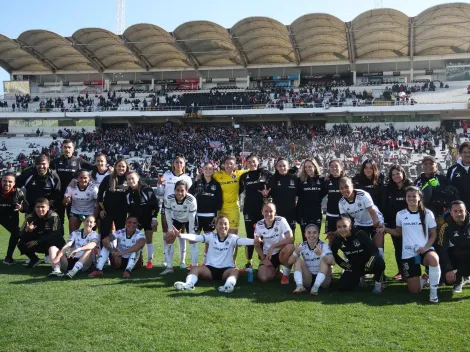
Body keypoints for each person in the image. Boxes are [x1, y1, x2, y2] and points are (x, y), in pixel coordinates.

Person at [173, 216, 257, 293]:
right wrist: (181, 235)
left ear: (228, 226)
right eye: (220, 223)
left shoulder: (232, 238)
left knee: (235, 271)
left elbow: (243, 240)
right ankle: (189, 284)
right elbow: (196, 237)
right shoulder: (211, 236)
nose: (223, 226)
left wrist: (254, 241)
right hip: (210, 270)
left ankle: (228, 286)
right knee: (195, 268)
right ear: (216, 226)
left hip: (226, 270)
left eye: (225, 224)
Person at [388, 186, 440, 303]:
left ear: (419, 198)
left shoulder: (428, 213)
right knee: (414, 290)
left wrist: (426, 247)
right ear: (405, 198)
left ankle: (433, 293)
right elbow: (398, 232)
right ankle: (425, 278)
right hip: (408, 252)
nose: (411, 198)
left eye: (414, 196)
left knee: (434, 258)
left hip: (425, 249)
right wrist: (385, 229)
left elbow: (433, 234)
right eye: (409, 196)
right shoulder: (400, 214)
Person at [330, 216, 385, 293]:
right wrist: (346, 266)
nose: (342, 229)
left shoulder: (360, 234)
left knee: (379, 262)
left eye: (345, 226)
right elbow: (333, 254)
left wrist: (370, 263)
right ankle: (359, 279)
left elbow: (374, 250)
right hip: (355, 266)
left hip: (368, 264)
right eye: (339, 227)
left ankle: (378, 285)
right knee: (343, 286)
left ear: (350, 226)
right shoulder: (337, 239)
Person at [155, 156, 192, 268]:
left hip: (182, 211)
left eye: (181, 162)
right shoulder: (166, 175)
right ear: (173, 163)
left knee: (182, 235)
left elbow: (188, 195)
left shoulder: (187, 178)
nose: (179, 164)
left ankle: (182, 261)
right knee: (166, 234)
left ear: (184, 165)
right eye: (177, 162)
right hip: (167, 209)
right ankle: (166, 260)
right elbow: (160, 193)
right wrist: (159, 184)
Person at [50, 139, 93, 233]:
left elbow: (95, 168)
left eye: (69, 147)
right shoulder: (55, 162)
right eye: (65, 147)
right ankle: (59, 245)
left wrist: (109, 168)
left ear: (73, 149)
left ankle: (79, 243)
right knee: (57, 224)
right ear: (62, 148)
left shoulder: (78, 161)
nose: (67, 149)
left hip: (73, 198)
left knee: (73, 225)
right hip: (58, 197)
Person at [338, 177, 385, 258]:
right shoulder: (341, 203)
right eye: (342, 188)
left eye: (346, 187)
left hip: (375, 221)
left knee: (378, 250)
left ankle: (380, 270)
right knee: (362, 250)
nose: (344, 190)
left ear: (352, 186)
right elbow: (345, 220)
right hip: (360, 224)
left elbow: (371, 210)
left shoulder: (363, 195)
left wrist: (376, 223)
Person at [238, 155, 271, 269]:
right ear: (246, 163)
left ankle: (263, 260)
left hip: (262, 211)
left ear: (258, 162)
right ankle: (249, 261)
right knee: (249, 236)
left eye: (254, 162)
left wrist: (267, 197)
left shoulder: (265, 174)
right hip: (248, 209)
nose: (252, 164)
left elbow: (272, 186)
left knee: (264, 236)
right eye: (249, 162)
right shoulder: (243, 176)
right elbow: (237, 190)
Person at [382, 165, 413, 280]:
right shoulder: (388, 188)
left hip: (409, 223)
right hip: (393, 224)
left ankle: (412, 271)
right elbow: (385, 206)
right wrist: (385, 222)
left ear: (403, 173)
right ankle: (401, 271)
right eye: (393, 174)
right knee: (398, 248)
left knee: (410, 247)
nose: (396, 176)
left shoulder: (410, 186)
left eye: (398, 173)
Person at [189, 162, 222, 267]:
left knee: (208, 240)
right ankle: (194, 263)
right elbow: (190, 195)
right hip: (197, 216)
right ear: (202, 170)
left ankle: (205, 262)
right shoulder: (198, 182)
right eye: (206, 168)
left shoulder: (216, 184)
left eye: (210, 169)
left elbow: (219, 201)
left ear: (213, 171)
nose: (208, 170)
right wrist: (196, 181)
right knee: (194, 239)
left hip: (210, 216)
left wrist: (216, 215)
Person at [17, 198, 65, 269]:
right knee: (21, 243)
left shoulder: (53, 216)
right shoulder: (30, 217)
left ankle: (59, 259)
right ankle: (34, 259)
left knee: (55, 238)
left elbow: (56, 234)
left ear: (48, 207)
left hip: (52, 243)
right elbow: (20, 233)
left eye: (43, 207)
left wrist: (37, 242)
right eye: (38, 207)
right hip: (39, 243)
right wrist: (29, 231)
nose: (40, 209)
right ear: (35, 208)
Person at [254, 202, 294, 284]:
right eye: (266, 211)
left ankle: (285, 276)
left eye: (271, 211)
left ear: (275, 212)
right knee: (264, 278)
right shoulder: (259, 224)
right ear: (262, 212)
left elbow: (291, 239)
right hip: (268, 255)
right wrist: (263, 259)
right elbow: (256, 244)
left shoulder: (281, 220)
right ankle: (275, 270)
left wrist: (273, 246)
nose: (268, 214)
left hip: (281, 253)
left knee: (290, 247)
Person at [288, 224, 334, 296]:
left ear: (318, 234)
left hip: (323, 280)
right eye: (309, 233)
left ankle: (315, 287)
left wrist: (322, 254)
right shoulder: (302, 246)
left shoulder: (323, 245)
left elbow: (333, 262)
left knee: (324, 260)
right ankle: (299, 286)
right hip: (308, 278)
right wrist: (295, 252)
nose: (311, 235)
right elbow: (289, 262)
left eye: (314, 232)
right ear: (305, 234)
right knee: (297, 259)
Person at [161, 180, 197, 274]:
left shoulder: (191, 200)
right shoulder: (169, 198)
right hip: (176, 219)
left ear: (187, 190)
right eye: (177, 190)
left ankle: (193, 267)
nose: (179, 193)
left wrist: (192, 232)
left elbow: (192, 217)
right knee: (169, 239)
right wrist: (169, 229)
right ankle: (169, 267)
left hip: (189, 219)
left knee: (193, 241)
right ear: (174, 190)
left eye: (182, 190)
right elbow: (168, 214)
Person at [126, 171, 159, 269]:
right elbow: (128, 208)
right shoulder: (128, 192)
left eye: (133, 178)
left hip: (148, 219)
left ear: (138, 178)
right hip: (136, 221)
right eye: (128, 179)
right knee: (134, 240)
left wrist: (154, 218)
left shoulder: (146, 189)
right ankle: (136, 260)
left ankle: (149, 261)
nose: (131, 181)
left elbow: (155, 205)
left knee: (149, 240)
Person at [436, 201, 470, 293]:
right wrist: (448, 269)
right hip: (455, 260)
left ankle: (462, 277)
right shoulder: (446, 227)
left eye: (461, 211)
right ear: (450, 212)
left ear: (465, 211)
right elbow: (442, 250)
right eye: (455, 211)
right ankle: (461, 276)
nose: (458, 214)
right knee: (448, 281)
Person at [415, 156, 457, 230]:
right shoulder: (418, 181)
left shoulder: (444, 180)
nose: (428, 165)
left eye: (431, 163)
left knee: (441, 240)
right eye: (425, 164)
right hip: (423, 216)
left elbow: (454, 196)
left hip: (441, 217)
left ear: (436, 166)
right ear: (422, 166)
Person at [212, 155, 247, 234]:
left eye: (231, 164)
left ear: (235, 165)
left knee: (233, 234)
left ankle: (234, 247)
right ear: (224, 164)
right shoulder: (217, 175)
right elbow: (207, 176)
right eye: (227, 163)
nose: (229, 166)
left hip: (233, 208)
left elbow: (252, 169)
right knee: (220, 233)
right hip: (221, 208)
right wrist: (199, 177)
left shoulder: (239, 174)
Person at [262, 158, 299, 231]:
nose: (282, 168)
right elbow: (267, 197)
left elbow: (300, 194)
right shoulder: (272, 179)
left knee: (290, 238)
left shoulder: (294, 179)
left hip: (291, 213)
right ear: (276, 167)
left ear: (288, 166)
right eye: (280, 166)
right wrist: (265, 195)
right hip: (277, 213)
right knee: (278, 237)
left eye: (284, 166)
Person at [0, 172, 29, 265]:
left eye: (10, 182)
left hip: (10, 216)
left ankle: (8, 258)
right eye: (4, 181)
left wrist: (21, 208)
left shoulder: (18, 192)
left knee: (16, 233)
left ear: (14, 183)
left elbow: (26, 208)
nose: (7, 184)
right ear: (1, 181)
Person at [97, 159, 130, 240]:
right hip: (107, 211)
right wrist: (101, 209)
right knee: (104, 234)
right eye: (119, 166)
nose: (121, 168)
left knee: (120, 234)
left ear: (126, 168)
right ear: (115, 167)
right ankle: (104, 252)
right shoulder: (108, 178)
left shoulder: (129, 179)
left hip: (121, 212)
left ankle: (119, 252)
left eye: (123, 166)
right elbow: (100, 193)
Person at [296, 159, 327, 240]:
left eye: (310, 166)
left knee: (315, 239)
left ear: (315, 166)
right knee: (305, 239)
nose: (307, 169)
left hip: (316, 213)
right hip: (303, 214)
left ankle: (315, 253)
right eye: (305, 167)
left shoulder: (322, 180)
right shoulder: (300, 180)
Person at [325, 159, 346, 237]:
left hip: (344, 215)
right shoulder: (326, 180)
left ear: (341, 168)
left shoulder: (347, 180)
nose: (334, 168)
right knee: (331, 239)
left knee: (345, 240)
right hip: (330, 215)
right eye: (332, 166)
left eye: (336, 166)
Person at [447, 141, 470, 209]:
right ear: (460, 154)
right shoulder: (452, 170)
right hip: (458, 210)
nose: (467, 154)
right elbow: (448, 188)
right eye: (465, 152)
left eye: (469, 152)